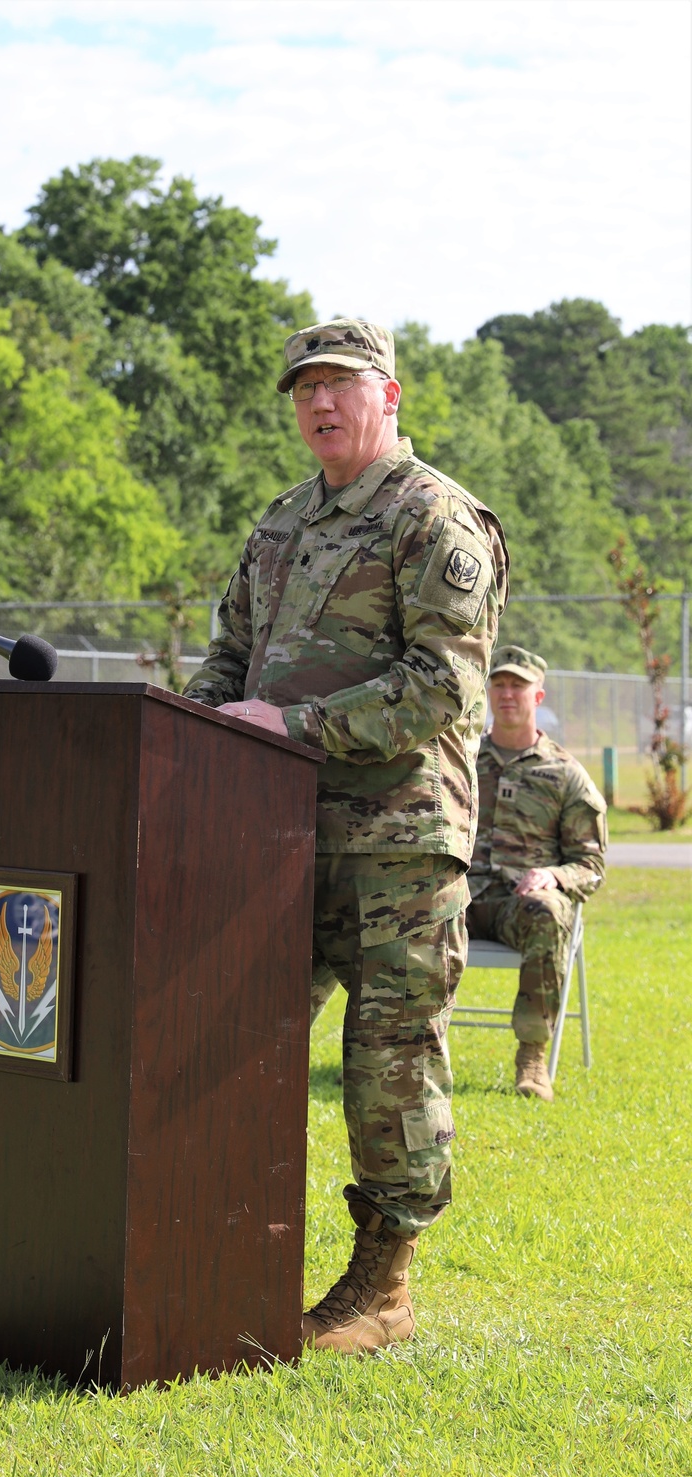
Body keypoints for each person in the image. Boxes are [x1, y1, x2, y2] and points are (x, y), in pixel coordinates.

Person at [182, 318, 508, 1355]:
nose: (320, 403)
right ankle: (217, 1249)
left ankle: (381, 1291)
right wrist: (186, 735)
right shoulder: (281, 524)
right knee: (230, 1044)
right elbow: (229, 658)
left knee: (387, 1063)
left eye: (341, 385)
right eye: (304, 389)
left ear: (390, 394)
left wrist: (296, 729)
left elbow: (446, 688)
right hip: (272, 836)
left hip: (396, 844)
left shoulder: (433, 518)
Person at [467, 645, 607, 1103]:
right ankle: (402, 1052)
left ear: (538, 696)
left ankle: (532, 1057)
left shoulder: (565, 774)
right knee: (396, 900)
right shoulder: (464, 760)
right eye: (499, 684)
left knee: (549, 911)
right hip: (458, 896)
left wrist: (554, 875)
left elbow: (591, 865)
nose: (507, 694)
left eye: (518, 686)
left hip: (518, 905)